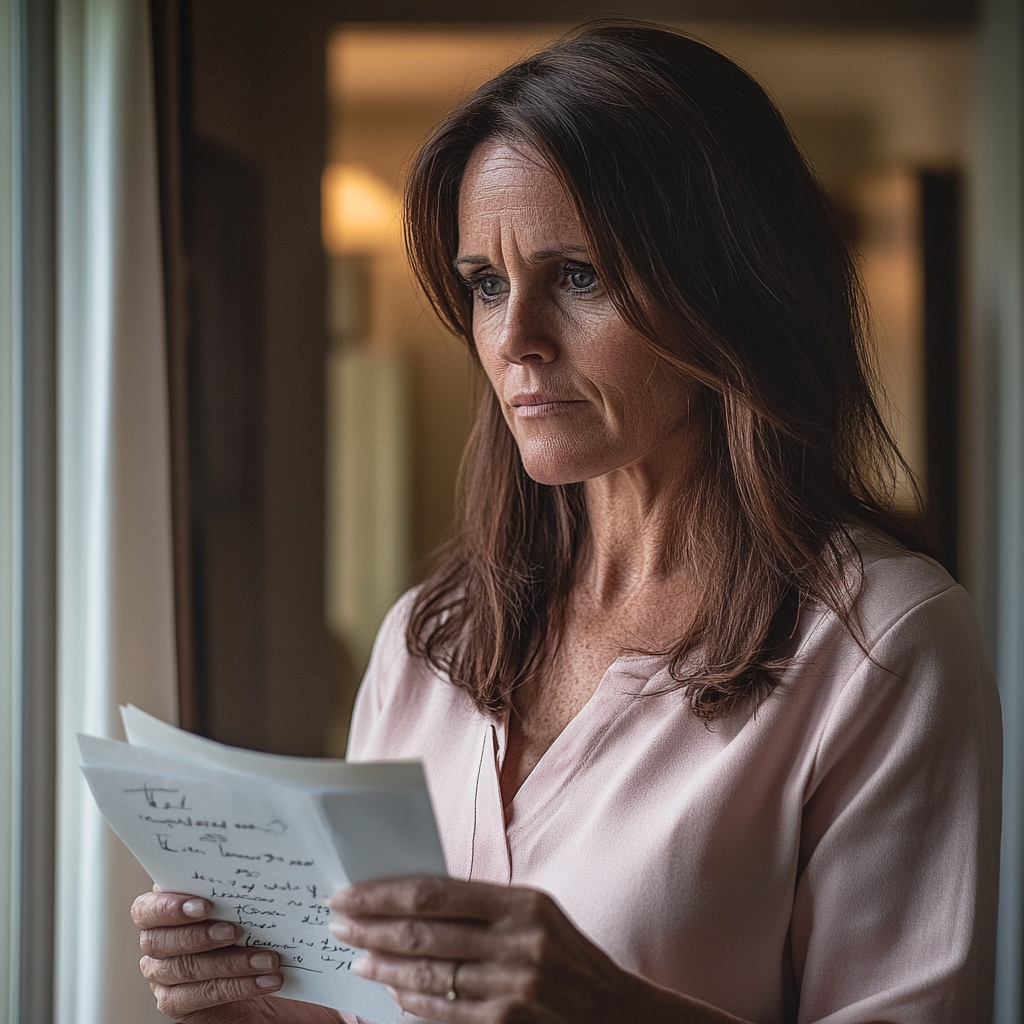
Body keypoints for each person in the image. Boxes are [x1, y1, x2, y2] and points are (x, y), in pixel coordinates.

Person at [130, 22, 1001, 1024]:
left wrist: (609, 1009)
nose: (514, 341)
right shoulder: (430, 637)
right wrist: (246, 1003)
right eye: (486, 284)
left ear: (727, 288)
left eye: (577, 275)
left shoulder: (882, 644)